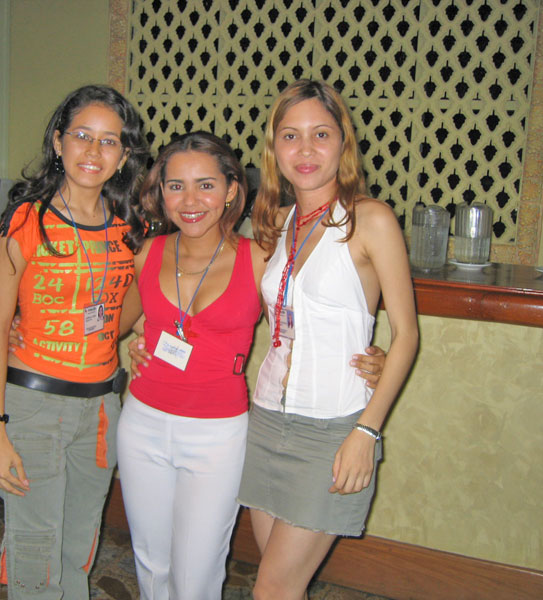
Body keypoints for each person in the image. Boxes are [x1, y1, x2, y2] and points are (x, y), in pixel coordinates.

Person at [116, 131, 388, 600]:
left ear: (231, 191)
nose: (190, 200)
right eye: (176, 186)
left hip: (217, 434)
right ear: (161, 193)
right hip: (142, 423)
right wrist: (29, 325)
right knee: (150, 560)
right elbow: (114, 325)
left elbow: (308, 320)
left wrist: (371, 355)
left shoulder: (260, 256)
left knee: (196, 570)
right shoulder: (147, 254)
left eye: (206, 185)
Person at [237, 79, 419, 599]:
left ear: (343, 143)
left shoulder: (371, 219)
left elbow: (407, 334)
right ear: (274, 148)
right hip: (266, 419)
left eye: (321, 134)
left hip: (333, 428)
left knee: (271, 590)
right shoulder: (277, 222)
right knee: (281, 586)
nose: (306, 149)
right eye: (290, 136)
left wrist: (367, 432)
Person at [0, 84, 149, 599]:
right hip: (33, 406)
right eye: (82, 136)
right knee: (35, 551)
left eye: (109, 141)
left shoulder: (131, 228)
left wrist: (143, 328)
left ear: (124, 155)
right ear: (58, 142)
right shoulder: (26, 221)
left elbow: (120, 316)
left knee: (78, 545)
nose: (94, 151)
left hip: (100, 409)